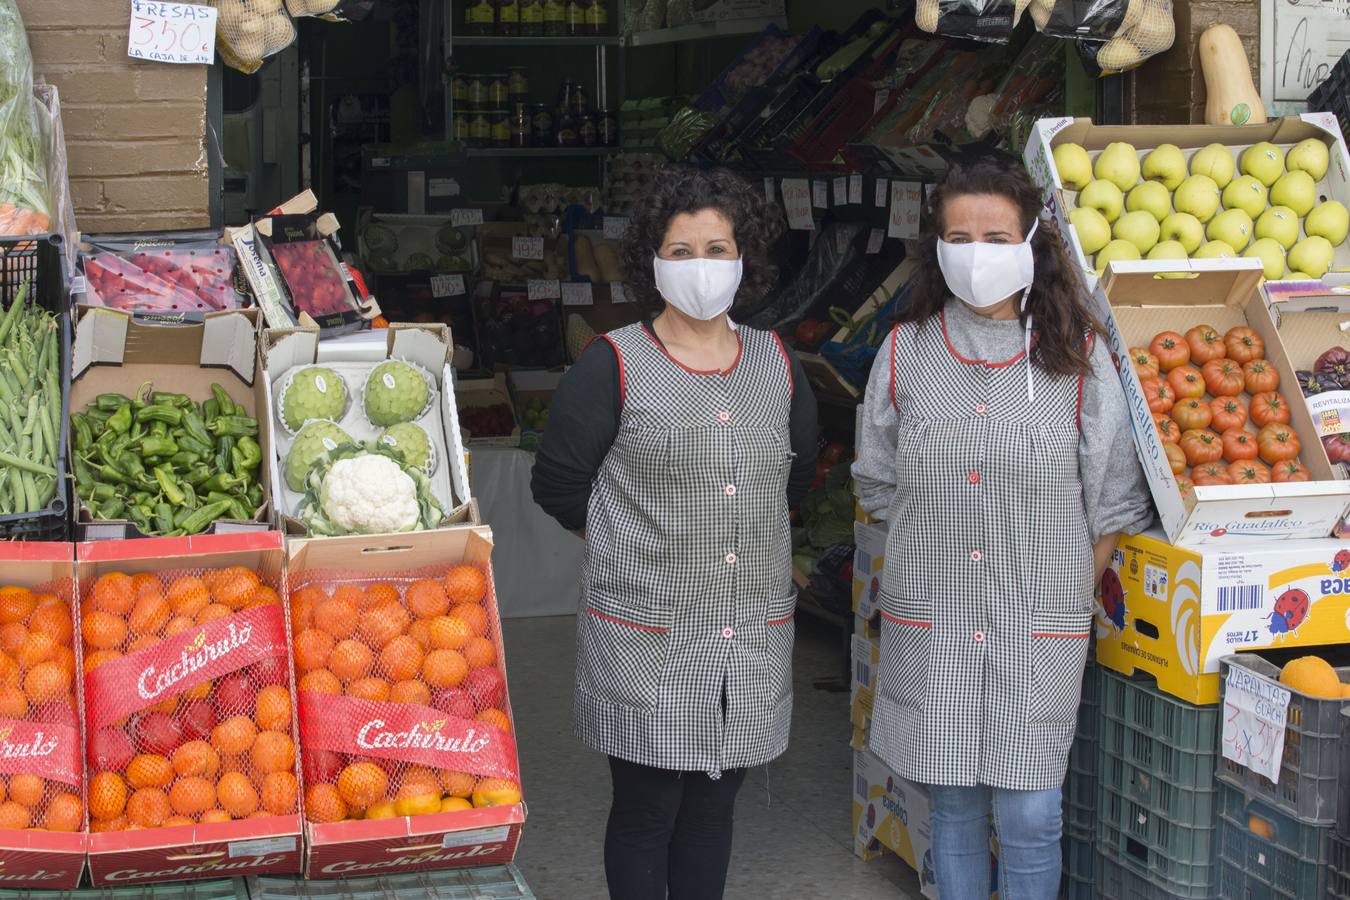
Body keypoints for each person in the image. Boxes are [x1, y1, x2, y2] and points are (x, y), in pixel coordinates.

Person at [852, 156, 1152, 899]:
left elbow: (1113, 496)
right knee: (951, 807)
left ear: (1030, 245)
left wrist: (1066, 583)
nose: (976, 252)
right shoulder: (903, 353)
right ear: (937, 247)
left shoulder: (1077, 357)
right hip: (938, 617)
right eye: (959, 236)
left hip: (1035, 624)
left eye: (995, 235)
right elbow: (877, 482)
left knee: (1029, 812)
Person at [531, 165, 819, 900]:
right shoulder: (613, 364)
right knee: (648, 808)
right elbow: (559, 484)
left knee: (715, 804)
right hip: (647, 631)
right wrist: (636, 545)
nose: (702, 268)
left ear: (746, 258)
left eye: (718, 249)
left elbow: (796, 476)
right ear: (651, 263)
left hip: (747, 632)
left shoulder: (777, 363)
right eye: (682, 251)